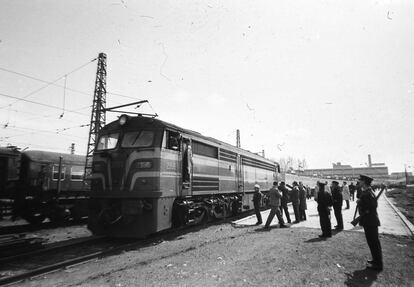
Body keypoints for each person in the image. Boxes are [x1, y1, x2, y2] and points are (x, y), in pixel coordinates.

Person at [357, 174, 383, 271]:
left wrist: (359, 202)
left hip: (370, 221)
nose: (359, 181)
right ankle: (375, 260)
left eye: (360, 180)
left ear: (364, 181)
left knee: (374, 243)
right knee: (371, 242)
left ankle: (378, 264)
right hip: (369, 220)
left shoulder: (368, 192)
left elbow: (372, 206)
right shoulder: (367, 192)